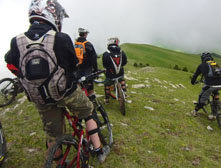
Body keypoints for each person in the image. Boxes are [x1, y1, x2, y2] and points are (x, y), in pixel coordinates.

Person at [5, 0, 109, 164]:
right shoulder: (61, 38)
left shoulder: (16, 41)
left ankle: (60, 160)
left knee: (53, 132)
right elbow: (73, 64)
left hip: (40, 97)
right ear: (52, 15)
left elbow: (10, 63)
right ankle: (99, 150)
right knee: (88, 110)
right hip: (64, 92)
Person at [191, 52, 221, 119]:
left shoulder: (202, 65)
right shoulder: (215, 64)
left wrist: (192, 82)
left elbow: (195, 75)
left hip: (210, 85)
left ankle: (195, 111)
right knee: (215, 92)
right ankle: (214, 112)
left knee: (202, 97)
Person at [102, 37, 128, 104]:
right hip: (120, 73)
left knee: (107, 84)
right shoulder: (121, 52)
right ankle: (124, 92)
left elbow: (104, 65)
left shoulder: (106, 53)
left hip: (110, 74)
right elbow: (125, 62)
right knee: (122, 80)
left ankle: (107, 99)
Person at [74, 27, 98, 98]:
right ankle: (91, 98)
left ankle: (80, 97)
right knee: (89, 83)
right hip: (87, 68)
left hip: (78, 67)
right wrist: (95, 69)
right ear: (85, 34)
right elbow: (93, 58)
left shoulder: (75, 44)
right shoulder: (88, 44)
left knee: (79, 84)